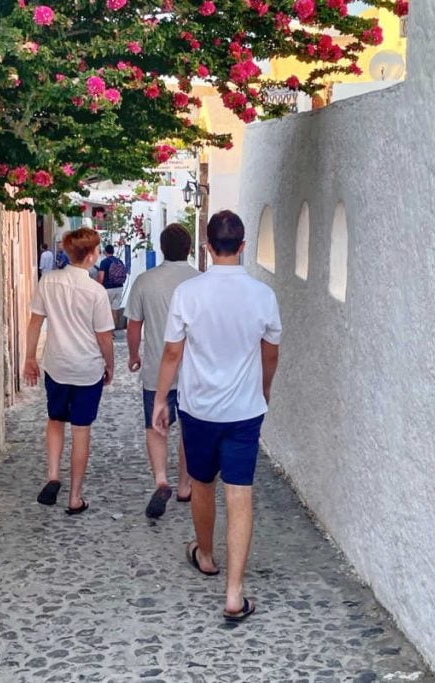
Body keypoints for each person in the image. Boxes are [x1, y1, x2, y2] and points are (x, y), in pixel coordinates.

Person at [152, 210, 281, 622]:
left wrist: (160, 400)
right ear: (242, 247)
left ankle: (205, 555)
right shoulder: (263, 296)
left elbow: (172, 352)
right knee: (240, 493)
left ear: (208, 247)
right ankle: (234, 593)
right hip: (244, 410)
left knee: (203, 484)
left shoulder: (189, 293)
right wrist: (264, 388)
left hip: (199, 408)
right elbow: (270, 351)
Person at [24, 227, 115, 515]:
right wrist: (110, 365)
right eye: (97, 250)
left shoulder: (48, 282)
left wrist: (29, 358)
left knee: (55, 419)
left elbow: (35, 323)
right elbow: (104, 337)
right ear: (90, 256)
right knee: (81, 430)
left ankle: (53, 475)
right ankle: (75, 497)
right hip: (87, 369)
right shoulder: (96, 292)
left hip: (57, 364)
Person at [126, 225, 200, 518]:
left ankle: (160, 479)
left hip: (157, 369)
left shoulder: (145, 281)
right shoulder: (199, 281)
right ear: (189, 247)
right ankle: (185, 485)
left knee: (155, 427)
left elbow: (134, 325)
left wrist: (134, 355)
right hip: (192, 372)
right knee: (188, 429)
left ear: (162, 247)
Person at [97, 244, 128, 330]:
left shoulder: (104, 262)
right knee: (115, 311)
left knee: (105, 311)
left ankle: (107, 331)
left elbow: (101, 277)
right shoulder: (119, 261)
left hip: (108, 289)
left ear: (105, 252)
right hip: (119, 288)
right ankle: (113, 331)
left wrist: (97, 288)